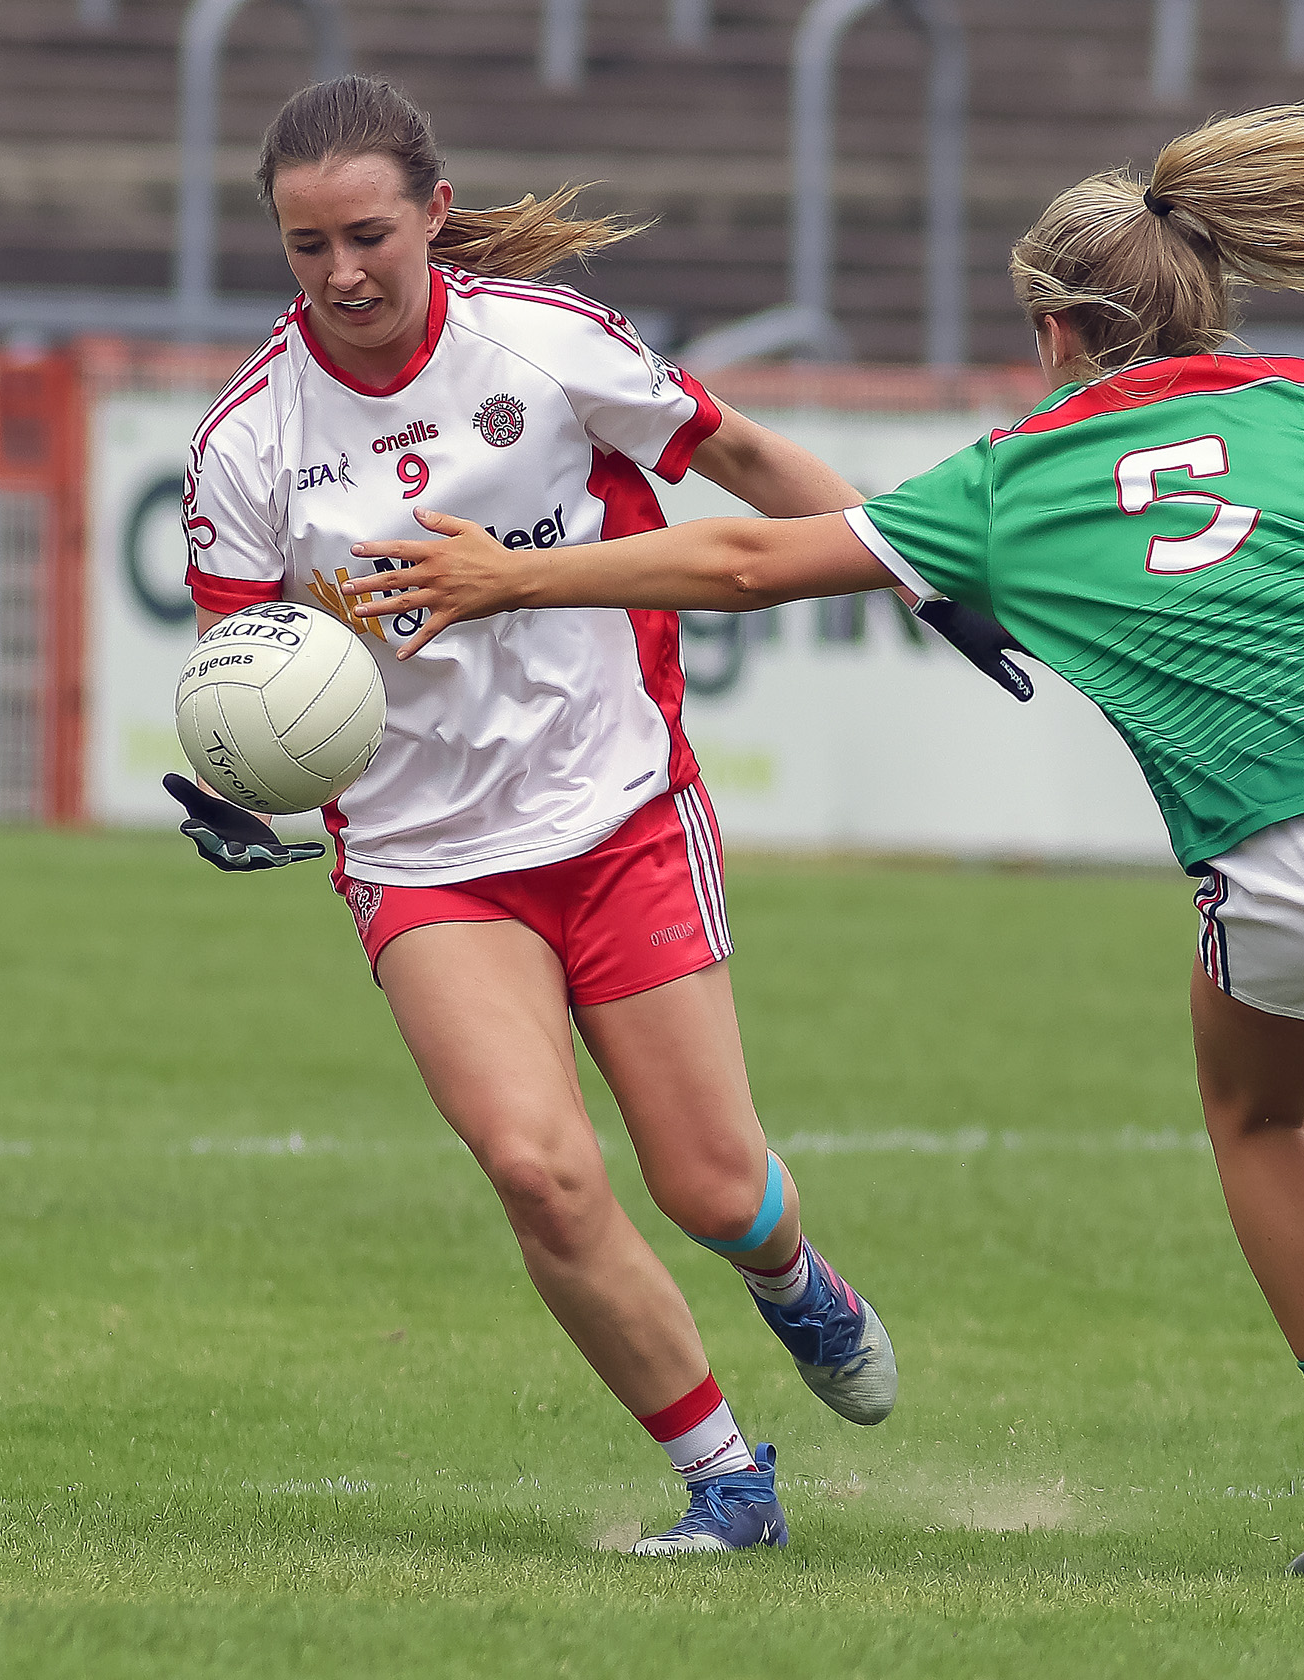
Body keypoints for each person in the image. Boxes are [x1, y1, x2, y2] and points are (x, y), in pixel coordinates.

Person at [341, 106, 1304, 1582]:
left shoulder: (1014, 476)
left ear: (1051, 329)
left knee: (1262, 1123)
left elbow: (738, 559)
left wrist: (510, 582)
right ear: (1209, 301)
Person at [171, 74, 1030, 1557]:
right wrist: (223, 791)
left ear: (435, 213)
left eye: (369, 234)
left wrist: (910, 567)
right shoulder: (249, 442)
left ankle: (793, 1281)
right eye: (306, 248)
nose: (344, 274)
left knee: (709, 1185)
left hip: (616, 806)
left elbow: (747, 461)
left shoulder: (543, 343)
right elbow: (237, 678)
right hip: (428, 856)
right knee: (536, 1167)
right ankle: (728, 1484)